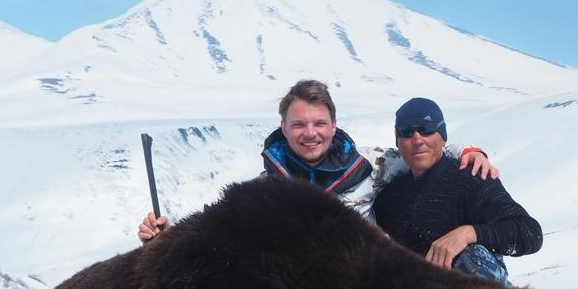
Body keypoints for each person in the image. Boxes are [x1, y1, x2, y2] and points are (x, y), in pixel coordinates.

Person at [138, 80, 496, 240]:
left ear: (334, 125)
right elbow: (214, 232)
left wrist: (468, 150)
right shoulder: (264, 191)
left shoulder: (372, 169)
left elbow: (423, 151)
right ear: (284, 127)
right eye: (299, 124)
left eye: (319, 123)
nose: (310, 133)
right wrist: (165, 237)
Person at [372, 97, 542, 285]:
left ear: (442, 136)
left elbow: (529, 233)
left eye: (426, 129)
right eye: (407, 132)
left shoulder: (471, 178)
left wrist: (468, 234)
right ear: (398, 141)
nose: (417, 139)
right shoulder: (388, 198)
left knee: (473, 256)